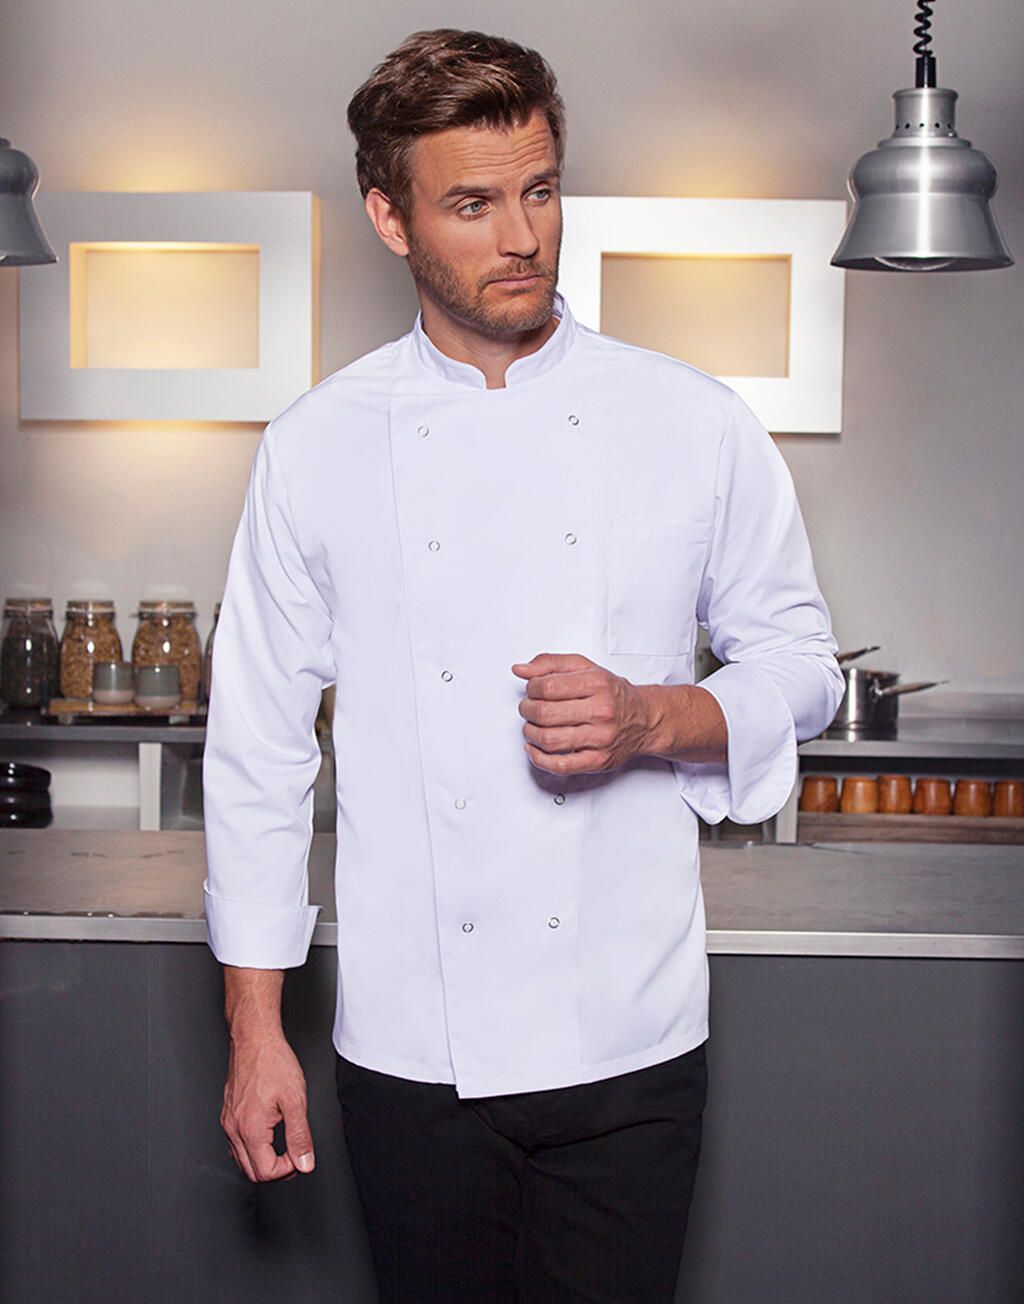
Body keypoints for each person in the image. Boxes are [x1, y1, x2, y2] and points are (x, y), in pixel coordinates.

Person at [201, 27, 844, 1303]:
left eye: (540, 190)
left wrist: (656, 715)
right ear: (389, 218)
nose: (523, 239)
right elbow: (260, 753)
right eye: (472, 203)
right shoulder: (314, 447)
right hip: (410, 1049)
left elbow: (802, 664)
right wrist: (255, 1030)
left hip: (633, 1039)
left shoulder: (690, 419)